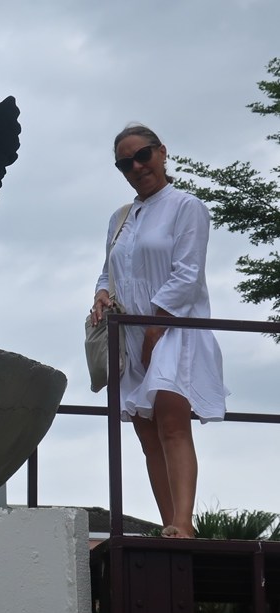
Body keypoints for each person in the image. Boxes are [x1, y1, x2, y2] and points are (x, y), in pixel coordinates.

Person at [90, 123, 228, 539]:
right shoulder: (120, 218)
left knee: (171, 423)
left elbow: (188, 274)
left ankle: (184, 523)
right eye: (125, 163)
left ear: (162, 153)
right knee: (146, 433)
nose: (136, 167)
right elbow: (108, 272)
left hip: (173, 326)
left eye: (142, 156)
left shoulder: (187, 206)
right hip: (131, 333)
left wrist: (155, 327)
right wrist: (101, 295)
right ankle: (171, 523)